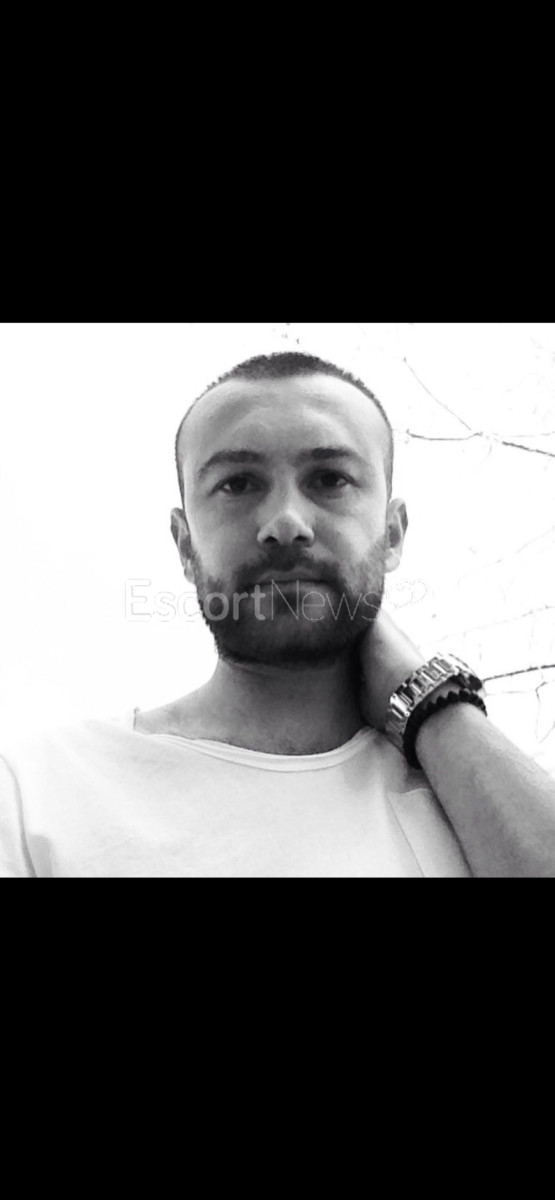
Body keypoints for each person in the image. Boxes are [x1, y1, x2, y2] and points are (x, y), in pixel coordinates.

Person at [2, 352, 554, 878]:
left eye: (330, 479)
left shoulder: (477, 802)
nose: (286, 522)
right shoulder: (39, 793)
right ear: (185, 545)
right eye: (238, 484)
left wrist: (429, 700)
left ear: (392, 534)